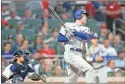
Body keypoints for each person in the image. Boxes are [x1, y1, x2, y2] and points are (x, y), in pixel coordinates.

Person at [58, 9, 95, 83]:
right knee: (89, 69)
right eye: (84, 15)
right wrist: (68, 37)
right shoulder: (67, 25)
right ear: (78, 16)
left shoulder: (85, 28)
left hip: (78, 54)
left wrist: (74, 32)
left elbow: (85, 37)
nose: (86, 17)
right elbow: (60, 39)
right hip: (70, 53)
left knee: (72, 80)